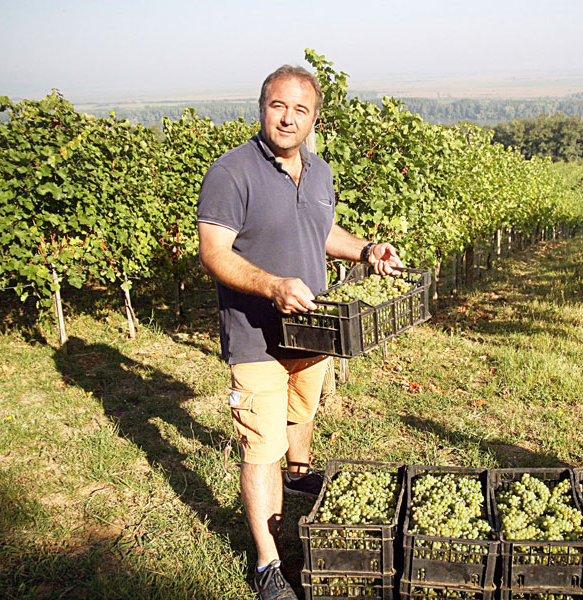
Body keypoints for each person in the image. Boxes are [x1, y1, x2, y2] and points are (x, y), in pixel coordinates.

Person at [197, 65, 403, 600]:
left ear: (314, 120)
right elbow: (213, 253)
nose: (288, 118)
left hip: (312, 328)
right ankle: (268, 562)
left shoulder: (319, 171)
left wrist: (366, 250)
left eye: (300, 110)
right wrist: (271, 286)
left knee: (302, 411)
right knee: (261, 445)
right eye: (278, 106)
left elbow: (321, 228)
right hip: (256, 335)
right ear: (262, 109)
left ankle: (299, 472)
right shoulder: (231, 172)